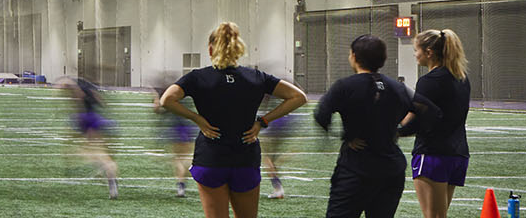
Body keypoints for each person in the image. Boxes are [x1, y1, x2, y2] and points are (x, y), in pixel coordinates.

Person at [159, 22, 309, 218]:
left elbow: (166, 99)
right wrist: (262, 122)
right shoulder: (256, 77)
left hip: (211, 158)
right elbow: (299, 97)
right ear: (238, 49)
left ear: (211, 49)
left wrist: (197, 119)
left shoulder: (198, 77)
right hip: (245, 157)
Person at [314, 35, 420, 218]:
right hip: (391, 168)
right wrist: (400, 132)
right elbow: (427, 111)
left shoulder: (344, 86)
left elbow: (321, 114)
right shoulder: (397, 87)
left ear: (354, 56)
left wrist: (346, 136)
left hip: (356, 168)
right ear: (383, 59)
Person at [402, 29, 471, 218]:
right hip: (458, 154)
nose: (415, 55)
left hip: (432, 154)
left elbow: (416, 118)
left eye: (416, 50)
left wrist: (392, 130)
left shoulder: (428, 81)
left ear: (429, 52)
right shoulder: (462, 78)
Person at [65, 75, 120, 198]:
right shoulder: (92, 89)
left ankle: (103, 167)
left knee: (91, 152)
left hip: (86, 119)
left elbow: (74, 91)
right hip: (97, 119)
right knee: (103, 153)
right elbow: (101, 101)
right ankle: (111, 178)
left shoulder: (79, 85)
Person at [155, 75, 197, 198]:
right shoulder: (185, 94)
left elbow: (158, 109)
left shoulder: (170, 96)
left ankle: (181, 186)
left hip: (177, 129)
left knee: (178, 160)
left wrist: (156, 97)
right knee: (184, 158)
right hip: (188, 127)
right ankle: (182, 183)